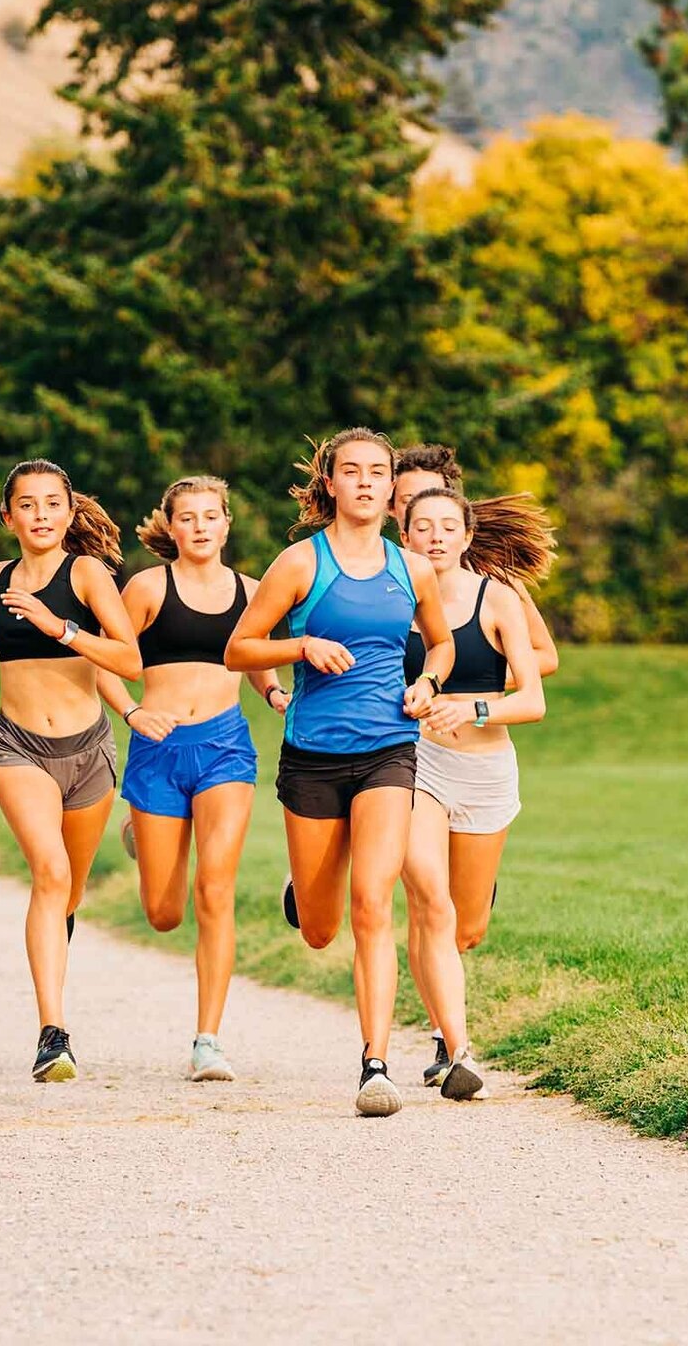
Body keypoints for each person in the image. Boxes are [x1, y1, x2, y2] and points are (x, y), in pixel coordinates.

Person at [225, 428, 453, 1117]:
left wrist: (429, 686)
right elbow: (239, 648)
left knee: (373, 904)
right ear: (328, 484)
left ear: (391, 487)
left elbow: (438, 644)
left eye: (376, 473)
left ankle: (373, 1063)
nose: (363, 482)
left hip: (389, 748)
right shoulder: (300, 563)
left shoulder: (410, 568)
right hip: (314, 758)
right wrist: (302, 644)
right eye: (349, 471)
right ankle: (305, 887)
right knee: (322, 927)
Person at [0, 460, 141, 1083]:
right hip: (17, 747)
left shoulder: (86, 574)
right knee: (50, 871)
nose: (40, 515)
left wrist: (58, 625)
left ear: (68, 512)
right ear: (8, 517)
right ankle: (52, 1034)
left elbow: (129, 658)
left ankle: (56, 936)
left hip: (89, 752)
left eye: (51, 504)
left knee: (69, 893)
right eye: (26, 505)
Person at [98, 476, 288, 1082]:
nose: (201, 526)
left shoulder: (252, 592)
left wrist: (275, 690)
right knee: (163, 913)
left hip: (225, 749)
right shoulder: (147, 588)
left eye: (212, 516)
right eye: (189, 517)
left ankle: (208, 1039)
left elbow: (253, 657)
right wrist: (130, 711)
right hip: (157, 750)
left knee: (216, 888)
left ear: (227, 524)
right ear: (171, 527)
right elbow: (103, 664)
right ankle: (142, 832)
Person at [399, 486, 548, 1096]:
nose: (435, 536)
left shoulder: (498, 599)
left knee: (466, 928)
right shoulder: (388, 598)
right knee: (430, 901)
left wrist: (474, 709)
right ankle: (457, 1050)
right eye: (422, 526)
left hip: (486, 774)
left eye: (446, 527)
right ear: (403, 535)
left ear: (466, 537)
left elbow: (533, 700)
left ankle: (447, 1029)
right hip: (416, 765)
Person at [391, 443, 559, 676]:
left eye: (435, 494)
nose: (425, 505)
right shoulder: (380, 575)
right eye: (409, 499)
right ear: (391, 507)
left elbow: (545, 655)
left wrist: (465, 687)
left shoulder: (492, 578)